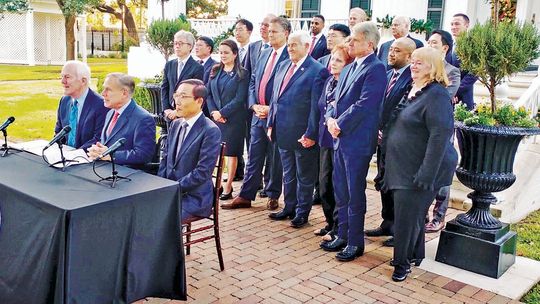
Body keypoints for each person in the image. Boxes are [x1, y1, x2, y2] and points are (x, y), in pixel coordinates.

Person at [383, 47, 458, 281]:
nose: (413, 66)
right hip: (404, 163)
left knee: (407, 216)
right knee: (412, 213)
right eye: (413, 62)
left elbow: (439, 136)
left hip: (424, 167)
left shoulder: (437, 95)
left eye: (420, 63)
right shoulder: (413, 89)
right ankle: (416, 254)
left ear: (433, 67)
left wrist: (427, 173)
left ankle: (401, 264)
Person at [321, 22, 386, 262]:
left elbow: (366, 103)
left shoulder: (376, 68)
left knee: (354, 192)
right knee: (341, 191)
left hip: (357, 140)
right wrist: (330, 119)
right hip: (339, 138)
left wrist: (340, 123)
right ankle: (342, 234)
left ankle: (355, 242)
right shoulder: (349, 68)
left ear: (369, 43)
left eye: (354, 40)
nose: (349, 43)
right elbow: (334, 100)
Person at [222, 16, 290, 211]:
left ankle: (273, 194)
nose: (270, 34)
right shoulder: (263, 53)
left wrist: (271, 108)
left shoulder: (289, 56)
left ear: (285, 33)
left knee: (274, 157)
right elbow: (253, 80)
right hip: (256, 114)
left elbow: (287, 87)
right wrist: (253, 105)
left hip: (275, 114)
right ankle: (245, 195)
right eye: (268, 31)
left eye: (274, 31)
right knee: (254, 155)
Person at [267, 31, 329, 228]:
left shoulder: (317, 70)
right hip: (282, 130)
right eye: (289, 44)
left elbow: (315, 106)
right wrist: (271, 123)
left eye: (294, 45)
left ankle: (303, 212)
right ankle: (289, 207)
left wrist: (311, 133)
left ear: (307, 47)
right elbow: (275, 99)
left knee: (304, 176)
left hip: (303, 134)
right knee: (288, 173)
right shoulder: (284, 65)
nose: (290, 48)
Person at [367, 37, 416, 248]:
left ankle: (399, 229)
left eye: (397, 51)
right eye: (391, 50)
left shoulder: (411, 79)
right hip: (381, 139)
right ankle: (387, 222)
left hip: (397, 140)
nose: (391, 54)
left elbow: (403, 110)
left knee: (396, 185)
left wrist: (386, 131)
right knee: (383, 181)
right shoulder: (387, 74)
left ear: (409, 56)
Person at [158, 79, 222, 221]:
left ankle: (171, 244)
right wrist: (161, 186)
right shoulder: (175, 124)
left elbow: (202, 172)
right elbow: (165, 159)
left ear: (199, 101)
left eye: (183, 96)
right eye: (176, 95)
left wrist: (174, 188)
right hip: (171, 191)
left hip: (193, 197)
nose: (177, 102)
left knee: (161, 219)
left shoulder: (210, 131)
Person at [314, 43, 353, 241]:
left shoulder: (348, 84)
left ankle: (339, 227)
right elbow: (320, 108)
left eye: (339, 60)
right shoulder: (329, 81)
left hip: (340, 138)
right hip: (325, 138)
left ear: (348, 64)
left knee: (337, 185)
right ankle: (330, 222)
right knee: (324, 185)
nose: (333, 63)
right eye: (332, 58)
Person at [426, 29, 462, 233]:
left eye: (434, 43)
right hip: (419, 131)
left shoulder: (452, 72)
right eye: (428, 42)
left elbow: (442, 96)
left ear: (445, 48)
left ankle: (438, 216)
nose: (429, 45)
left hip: (440, 129)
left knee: (441, 173)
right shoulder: (421, 67)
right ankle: (421, 216)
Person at [206, 39, 249, 201]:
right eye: (221, 52)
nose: (223, 55)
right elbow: (208, 93)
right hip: (216, 119)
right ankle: (216, 184)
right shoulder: (215, 70)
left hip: (233, 120)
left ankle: (228, 186)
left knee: (231, 153)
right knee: (217, 153)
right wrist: (214, 112)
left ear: (235, 54)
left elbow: (240, 99)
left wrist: (223, 113)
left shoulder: (242, 73)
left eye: (226, 52)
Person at [87, 73, 155, 168]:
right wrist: (98, 150)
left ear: (124, 93)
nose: (103, 94)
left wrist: (110, 155)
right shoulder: (110, 113)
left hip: (128, 177)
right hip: (104, 171)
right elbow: (106, 143)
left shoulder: (143, 118)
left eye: (108, 89)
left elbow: (144, 154)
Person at [55, 60, 108, 151]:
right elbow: (59, 133)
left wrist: (74, 155)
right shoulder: (64, 101)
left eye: (67, 77)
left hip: (87, 159)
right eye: (62, 77)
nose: (63, 81)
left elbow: (99, 139)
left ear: (83, 81)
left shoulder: (101, 105)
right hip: (65, 157)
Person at [161, 30, 204, 124]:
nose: (177, 46)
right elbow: (164, 88)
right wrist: (166, 109)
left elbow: (195, 94)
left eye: (180, 43)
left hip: (187, 115)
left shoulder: (197, 68)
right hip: (170, 115)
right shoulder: (169, 65)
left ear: (190, 46)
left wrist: (177, 112)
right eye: (175, 43)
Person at [449, 13, 477, 110]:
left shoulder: (473, 45)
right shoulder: (449, 45)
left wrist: (455, 91)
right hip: (447, 95)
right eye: (452, 24)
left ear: (466, 25)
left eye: (457, 24)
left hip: (464, 95)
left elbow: (475, 72)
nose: (453, 27)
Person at [194, 36, 216, 117]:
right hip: (193, 106)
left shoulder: (215, 65)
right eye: (196, 45)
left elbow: (209, 86)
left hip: (207, 107)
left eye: (200, 45)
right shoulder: (194, 64)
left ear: (209, 48)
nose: (196, 48)